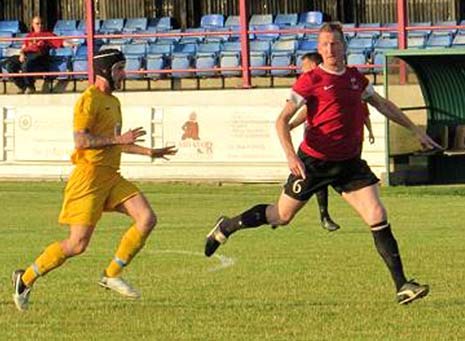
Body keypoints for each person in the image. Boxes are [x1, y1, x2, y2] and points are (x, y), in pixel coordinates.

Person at [205, 23, 442, 305]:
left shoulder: (356, 79)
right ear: (319, 49)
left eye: (335, 44)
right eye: (325, 44)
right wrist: (291, 156)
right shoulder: (311, 80)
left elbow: (382, 104)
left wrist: (415, 130)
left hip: (350, 165)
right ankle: (227, 226)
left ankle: (402, 285)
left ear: (344, 46)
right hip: (313, 163)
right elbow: (281, 120)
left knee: (377, 214)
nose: (330, 49)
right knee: (281, 216)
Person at [12, 49, 177, 311]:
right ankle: (26, 278)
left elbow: (116, 144)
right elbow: (82, 141)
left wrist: (149, 152)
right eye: (119, 69)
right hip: (88, 179)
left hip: (111, 177)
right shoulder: (88, 100)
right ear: (104, 71)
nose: (123, 74)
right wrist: (118, 140)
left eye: (123, 68)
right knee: (77, 245)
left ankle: (111, 274)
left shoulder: (114, 102)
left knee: (147, 218)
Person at [289, 52, 375, 232]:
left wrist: (369, 130)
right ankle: (324, 215)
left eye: (305, 68)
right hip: (316, 147)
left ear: (315, 65)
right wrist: (291, 125)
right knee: (284, 212)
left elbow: (366, 109)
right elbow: (302, 112)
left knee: (373, 210)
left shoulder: (338, 83)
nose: (302, 72)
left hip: (342, 148)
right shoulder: (310, 83)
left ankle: (325, 215)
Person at [2, 16, 64, 94]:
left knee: (26, 64)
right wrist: (22, 54)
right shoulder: (29, 36)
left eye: (41, 23)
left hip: (39, 56)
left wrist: (72, 44)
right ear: (33, 25)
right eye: (37, 24)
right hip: (27, 54)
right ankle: (22, 86)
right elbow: (23, 48)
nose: (40, 26)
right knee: (9, 64)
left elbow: (61, 42)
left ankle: (30, 87)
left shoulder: (48, 35)